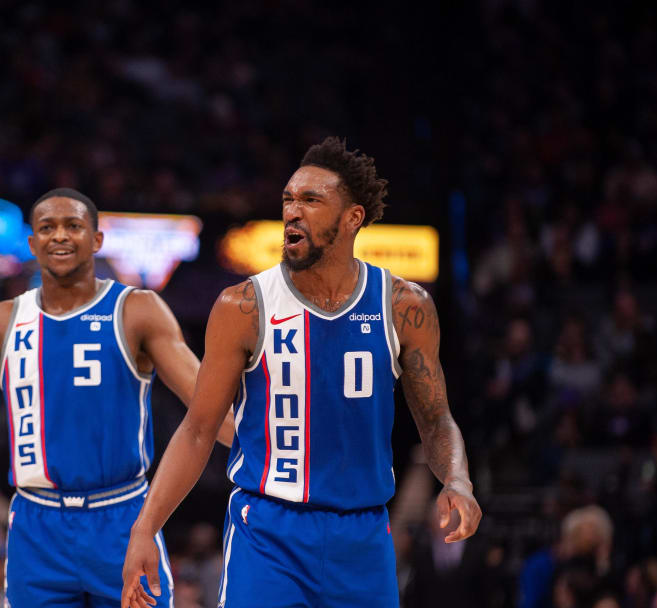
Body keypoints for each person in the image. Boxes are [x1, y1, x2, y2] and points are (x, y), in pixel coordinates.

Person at [122, 137, 482, 608]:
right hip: (268, 532)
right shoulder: (243, 306)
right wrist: (145, 528)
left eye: (311, 200)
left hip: (364, 534)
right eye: (289, 199)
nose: (293, 211)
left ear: (353, 218)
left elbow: (436, 420)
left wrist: (458, 479)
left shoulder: (403, 305)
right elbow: (197, 429)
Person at [0, 187, 234, 607]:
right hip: (36, 524)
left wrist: (270, 452)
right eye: (47, 227)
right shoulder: (0, 321)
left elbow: (212, 411)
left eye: (73, 225)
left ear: (97, 239)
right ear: (32, 243)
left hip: (123, 516)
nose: (59, 236)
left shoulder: (137, 310)